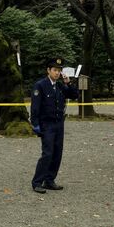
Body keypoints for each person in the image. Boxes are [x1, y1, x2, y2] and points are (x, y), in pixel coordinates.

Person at [30, 58, 78, 194]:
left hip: (59, 124)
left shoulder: (60, 85)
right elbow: (35, 107)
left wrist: (68, 82)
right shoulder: (40, 85)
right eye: (55, 70)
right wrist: (35, 124)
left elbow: (74, 95)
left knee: (57, 153)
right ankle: (37, 182)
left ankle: (49, 180)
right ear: (48, 70)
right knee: (48, 153)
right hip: (47, 124)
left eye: (59, 70)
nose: (57, 73)